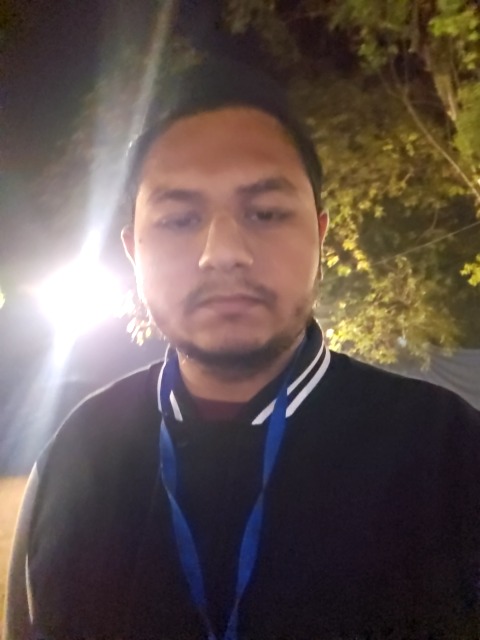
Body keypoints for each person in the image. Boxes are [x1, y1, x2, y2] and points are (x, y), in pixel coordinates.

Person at [4, 58, 480, 640]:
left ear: (320, 236)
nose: (223, 252)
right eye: (179, 219)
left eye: (267, 212)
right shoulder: (79, 452)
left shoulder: (449, 451)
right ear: (133, 252)